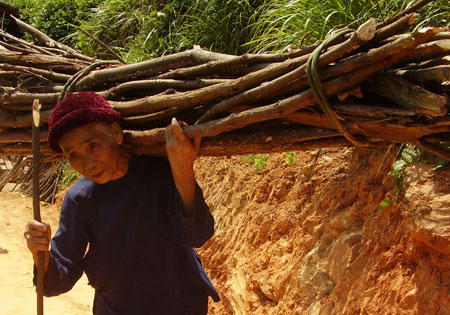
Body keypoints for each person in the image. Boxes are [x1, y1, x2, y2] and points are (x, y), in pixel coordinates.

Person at [23, 91, 219, 314]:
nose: (87, 163)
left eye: (92, 146)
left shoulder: (161, 171)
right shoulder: (80, 199)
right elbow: (59, 280)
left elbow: (198, 235)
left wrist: (183, 167)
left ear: (116, 133)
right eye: (74, 155)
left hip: (182, 306)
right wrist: (41, 255)